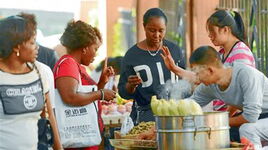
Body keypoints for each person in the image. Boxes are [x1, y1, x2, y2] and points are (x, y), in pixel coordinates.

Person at [187, 46, 268, 149]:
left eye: (197, 73)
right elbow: (190, 105)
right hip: (262, 120)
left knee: (247, 130)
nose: (196, 78)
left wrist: (217, 122)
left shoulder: (246, 74)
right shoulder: (210, 86)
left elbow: (251, 117)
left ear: (210, 70)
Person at [161, 9, 256, 111]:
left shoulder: (240, 52)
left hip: (235, 117)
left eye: (212, 31)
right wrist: (173, 68)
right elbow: (202, 77)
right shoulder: (221, 54)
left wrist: (224, 119)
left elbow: (241, 91)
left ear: (225, 30)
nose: (209, 35)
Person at [0, 14, 61, 150]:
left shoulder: (39, 71)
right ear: (16, 47)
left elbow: (49, 115)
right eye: (32, 42)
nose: (37, 47)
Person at [53, 20, 116, 150]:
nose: (96, 54)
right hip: (77, 143)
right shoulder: (68, 64)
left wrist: (101, 83)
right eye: (95, 49)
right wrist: (101, 93)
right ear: (85, 48)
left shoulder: (76, 66)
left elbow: (85, 97)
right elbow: (70, 97)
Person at [118, 8, 185, 124]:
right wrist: (130, 85)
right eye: (152, 30)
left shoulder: (174, 50)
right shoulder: (132, 55)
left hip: (175, 115)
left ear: (166, 28)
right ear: (144, 27)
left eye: (161, 30)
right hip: (146, 117)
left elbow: (185, 81)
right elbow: (123, 92)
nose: (157, 35)